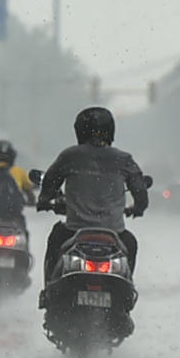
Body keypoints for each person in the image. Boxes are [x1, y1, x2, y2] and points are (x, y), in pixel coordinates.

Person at [35, 107, 148, 308]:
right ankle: (126, 299)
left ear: (80, 130)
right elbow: (140, 193)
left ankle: (48, 294)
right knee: (131, 243)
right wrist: (137, 208)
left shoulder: (70, 156)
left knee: (55, 239)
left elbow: (50, 183)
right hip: (115, 234)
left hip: (73, 231)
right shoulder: (124, 159)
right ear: (111, 130)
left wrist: (45, 201)